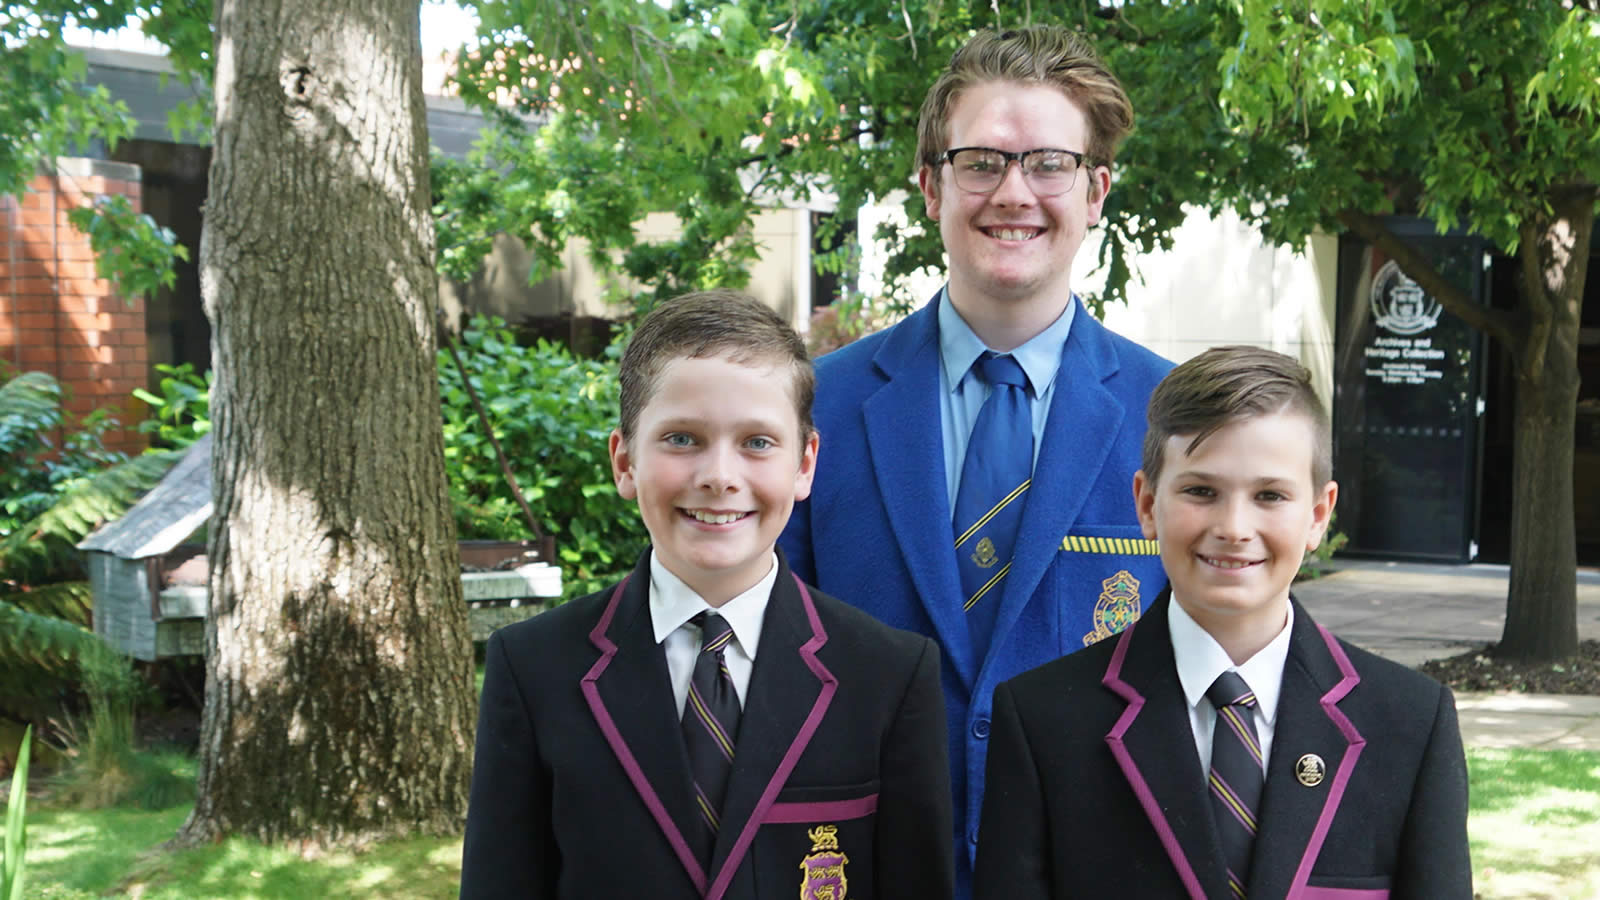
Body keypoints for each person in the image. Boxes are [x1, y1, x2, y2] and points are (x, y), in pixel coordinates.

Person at [778, 25, 1172, 888]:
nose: (1014, 192)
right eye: (982, 162)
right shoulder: (816, 406)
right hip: (867, 866)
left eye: (1049, 164)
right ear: (930, 185)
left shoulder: (1172, 417)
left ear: (1097, 190)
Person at [461, 290, 955, 900]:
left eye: (756, 442)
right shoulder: (533, 669)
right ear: (624, 461)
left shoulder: (889, 676)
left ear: (804, 464)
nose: (720, 476)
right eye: (682, 439)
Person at [973, 346, 1472, 899]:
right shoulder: (1044, 721)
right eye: (1201, 491)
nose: (1234, 527)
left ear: (1318, 515)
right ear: (1146, 504)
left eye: (1270, 495)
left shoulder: (1410, 724)